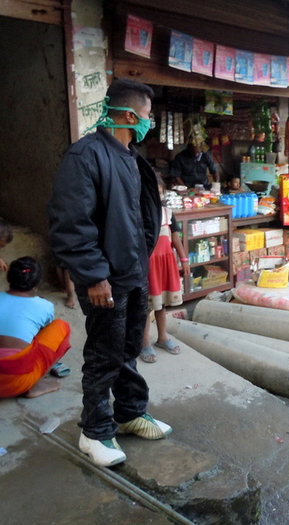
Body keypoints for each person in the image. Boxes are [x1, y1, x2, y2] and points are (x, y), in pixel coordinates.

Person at [48, 78, 171, 468]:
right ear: (130, 115)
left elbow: (136, 220)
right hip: (105, 280)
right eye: (148, 117)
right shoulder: (85, 157)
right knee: (104, 354)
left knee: (129, 348)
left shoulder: (131, 157)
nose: (149, 124)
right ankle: (95, 430)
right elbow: (72, 225)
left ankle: (130, 411)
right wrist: (94, 277)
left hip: (132, 272)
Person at [0, 257, 71, 398]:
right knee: (61, 326)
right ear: (36, 284)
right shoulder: (44, 306)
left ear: (9, 279)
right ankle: (33, 385)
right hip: (15, 384)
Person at [140, 177, 189, 363]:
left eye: (159, 191)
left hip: (166, 263)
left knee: (163, 304)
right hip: (149, 265)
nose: (156, 195)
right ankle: (144, 343)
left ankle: (162, 338)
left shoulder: (168, 213)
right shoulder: (140, 214)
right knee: (146, 305)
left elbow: (175, 238)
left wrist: (184, 259)